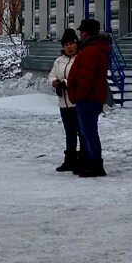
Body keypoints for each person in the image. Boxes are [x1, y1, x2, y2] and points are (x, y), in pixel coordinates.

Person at [67, 19, 111, 177]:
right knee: (88, 132)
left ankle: (95, 164)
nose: (80, 34)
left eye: (82, 31)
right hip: (92, 97)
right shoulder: (95, 49)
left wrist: (78, 95)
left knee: (89, 132)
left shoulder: (90, 50)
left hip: (87, 98)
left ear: (85, 33)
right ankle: (91, 162)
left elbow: (86, 77)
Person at [48, 28, 82, 172]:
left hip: (77, 102)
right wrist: (54, 82)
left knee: (82, 132)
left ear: (77, 44)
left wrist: (66, 83)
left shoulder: (80, 59)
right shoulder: (59, 61)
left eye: (72, 43)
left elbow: (80, 78)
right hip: (64, 102)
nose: (69, 47)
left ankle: (83, 159)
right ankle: (70, 159)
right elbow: (51, 75)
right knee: (69, 132)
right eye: (66, 44)